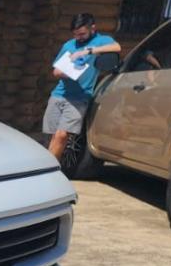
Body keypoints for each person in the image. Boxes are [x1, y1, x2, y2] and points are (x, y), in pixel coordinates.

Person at [44, 12, 121, 160]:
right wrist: (67, 72)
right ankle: (50, 166)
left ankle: (50, 168)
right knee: (53, 137)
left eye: (82, 34)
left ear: (93, 28)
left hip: (80, 98)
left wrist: (88, 51)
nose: (78, 37)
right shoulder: (69, 45)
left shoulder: (101, 41)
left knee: (62, 135)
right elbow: (56, 71)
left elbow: (116, 47)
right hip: (59, 94)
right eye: (75, 34)